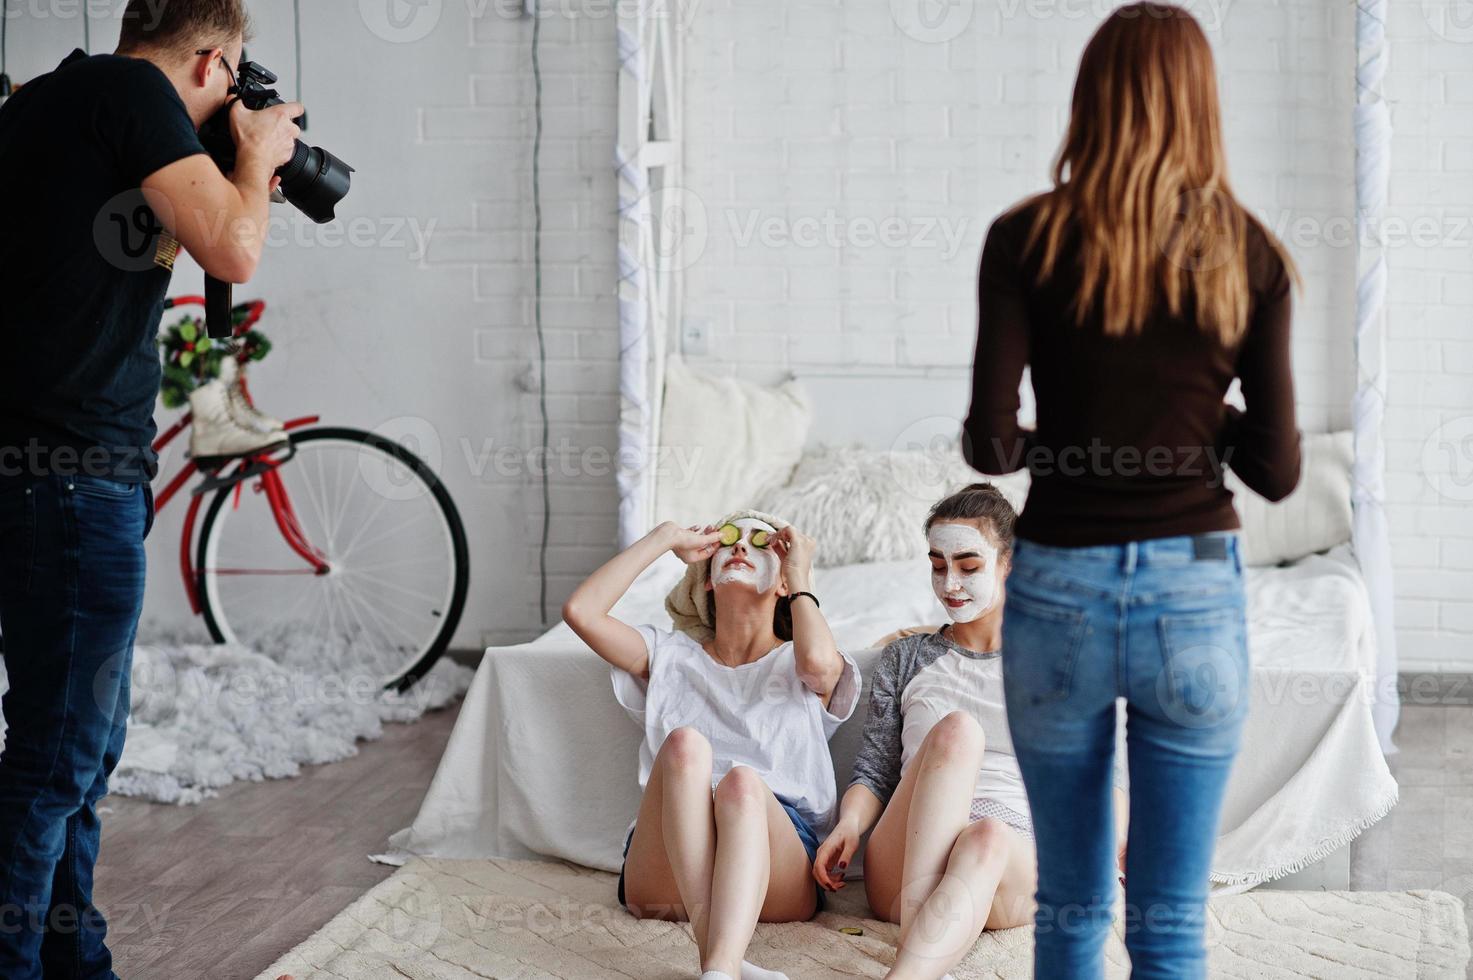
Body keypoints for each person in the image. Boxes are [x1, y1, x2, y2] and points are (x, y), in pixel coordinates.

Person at [963, 4, 1301, 977]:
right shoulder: (1252, 254)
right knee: (1170, 922)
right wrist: (1192, 412)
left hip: (1059, 587)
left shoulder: (1023, 238)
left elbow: (991, 443)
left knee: (1067, 906)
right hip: (1193, 592)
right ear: (1201, 105)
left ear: (1091, 98)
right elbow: (1276, 469)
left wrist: (1079, 425)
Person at [0, 2, 303, 975]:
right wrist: (254, 155)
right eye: (236, 74)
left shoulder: (54, 99)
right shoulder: (134, 94)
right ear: (214, 59)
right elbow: (235, 250)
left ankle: (72, 959)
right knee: (57, 760)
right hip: (76, 477)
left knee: (72, 750)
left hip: (46, 473)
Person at [813, 485, 1127, 980]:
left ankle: (909, 971)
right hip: (907, 867)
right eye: (938, 565)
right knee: (957, 731)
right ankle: (920, 938)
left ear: (1009, 563)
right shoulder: (906, 658)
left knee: (987, 836)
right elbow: (875, 768)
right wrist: (849, 826)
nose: (950, 583)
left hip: (1012, 862)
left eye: (968, 565)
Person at [563, 511, 860, 980]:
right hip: (665, 873)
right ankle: (721, 968)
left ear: (783, 584)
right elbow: (580, 612)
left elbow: (822, 666)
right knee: (684, 745)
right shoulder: (668, 655)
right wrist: (664, 538)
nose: (740, 548)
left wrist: (799, 571)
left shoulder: (801, 661)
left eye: (759, 543)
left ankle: (720, 968)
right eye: (728, 541)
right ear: (704, 581)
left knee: (742, 782)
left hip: (775, 865)